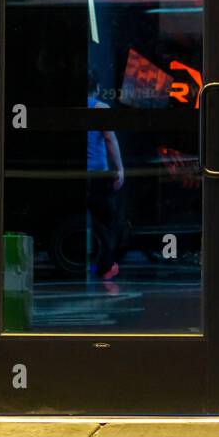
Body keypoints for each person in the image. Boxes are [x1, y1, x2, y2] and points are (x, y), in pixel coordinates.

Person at [86, 70, 126, 282]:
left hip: (77, 173)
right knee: (104, 222)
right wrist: (119, 168)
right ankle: (105, 266)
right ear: (98, 88)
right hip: (98, 174)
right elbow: (110, 140)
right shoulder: (101, 108)